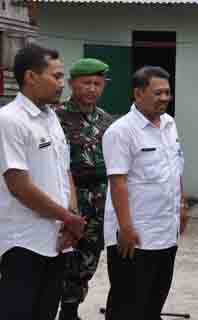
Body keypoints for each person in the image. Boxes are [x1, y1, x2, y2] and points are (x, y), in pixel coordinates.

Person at [0, 44, 86, 319]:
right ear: (30, 77)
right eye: (56, 76)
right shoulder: (10, 120)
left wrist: (71, 218)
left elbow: (64, 171)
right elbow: (19, 185)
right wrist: (68, 218)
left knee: (46, 313)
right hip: (23, 243)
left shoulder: (51, 118)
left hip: (56, 240)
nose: (62, 84)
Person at [102, 66, 187, 320]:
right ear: (138, 94)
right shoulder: (120, 132)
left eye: (168, 93)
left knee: (154, 302)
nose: (164, 98)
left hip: (166, 232)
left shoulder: (169, 124)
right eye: (158, 93)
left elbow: (176, 169)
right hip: (135, 236)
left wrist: (181, 206)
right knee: (127, 306)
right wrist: (125, 228)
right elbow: (118, 183)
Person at [56, 58, 114, 320]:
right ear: (72, 84)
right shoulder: (56, 117)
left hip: (100, 201)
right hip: (68, 197)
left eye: (97, 84)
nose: (92, 88)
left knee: (88, 260)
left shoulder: (107, 121)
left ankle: (71, 310)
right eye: (86, 83)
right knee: (62, 259)